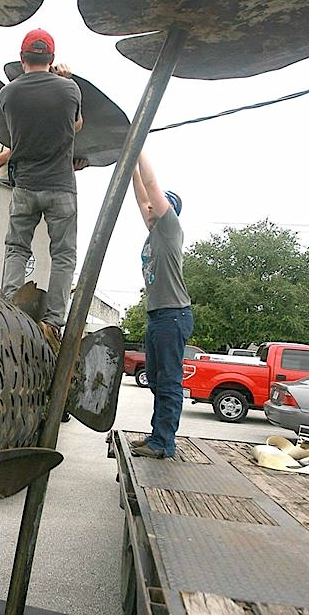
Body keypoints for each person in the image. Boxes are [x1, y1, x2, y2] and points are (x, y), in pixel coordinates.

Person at [0, 28, 84, 346]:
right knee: (63, 254)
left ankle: (10, 311)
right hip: (61, 185)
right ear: (51, 58)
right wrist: (65, 77)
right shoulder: (70, 90)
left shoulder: (7, 94)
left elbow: (19, 131)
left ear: (22, 59)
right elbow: (74, 126)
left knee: (17, 248)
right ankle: (53, 322)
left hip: (25, 185)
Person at [130, 150, 193, 459]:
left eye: (157, 203)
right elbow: (142, 195)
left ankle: (164, 443)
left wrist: (139, 147)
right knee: (155, 379)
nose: (149, 206)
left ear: (169, 209)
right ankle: (158, 435)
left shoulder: (169, 228)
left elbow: (151, 184)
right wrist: (129, 164)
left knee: (168, 381)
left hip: (173, 315)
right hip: (158, 318)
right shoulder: (154, 231)